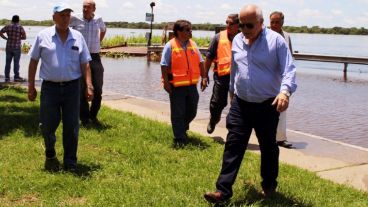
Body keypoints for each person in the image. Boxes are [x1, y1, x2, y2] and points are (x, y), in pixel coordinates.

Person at [204, 4, 297, 203]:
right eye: (241, 25)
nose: (244, 30)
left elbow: (289, 69)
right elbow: (235, 70)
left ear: (261, 24)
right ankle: (223, 191)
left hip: (267, 105)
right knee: (233, 145)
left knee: (269, 147)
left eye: (249, 26)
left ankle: (269, 186)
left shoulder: (276, 42)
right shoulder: (237, 40)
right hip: (241, 103)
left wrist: (284, 92)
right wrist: (232, 93)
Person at [28, 2, 93, 172]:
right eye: (62, 15)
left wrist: (89, 85)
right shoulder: (43, 36)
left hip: (72, 88)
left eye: (67, 15)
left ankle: (70, 162)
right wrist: (30, 86)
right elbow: (33, 61)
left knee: (71, 126)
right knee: (47, 125)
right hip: (50, 88)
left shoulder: (78, 36)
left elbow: (85, 63)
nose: (65, 18)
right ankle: (50, 151)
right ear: (54, 17)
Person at [160, 20, 208, 146]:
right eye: (187, 30)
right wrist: (165, 82)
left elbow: (200, 62)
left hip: (192, 85)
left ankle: (182, 128)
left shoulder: (193, 44)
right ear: (179, 32)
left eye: (190, 29)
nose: (190, 32)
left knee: (192, 110)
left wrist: (204, 77)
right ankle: (179, 139)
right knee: (178, 112)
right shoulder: (170, 45)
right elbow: (164, 65)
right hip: (176, 86)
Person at [70, 0, 107, 125]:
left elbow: (103, 30)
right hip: (79, 57)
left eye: (87, 7)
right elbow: (64, 29)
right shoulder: (75, 19)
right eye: (83, 7)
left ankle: (93, 116)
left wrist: (98, 41)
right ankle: (84, 118)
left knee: (98, 88)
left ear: (94, 8)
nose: (85, 9)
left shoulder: (99, 19)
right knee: (81, 89)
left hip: (95, 56)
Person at [205, 14, 239, 134]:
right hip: (221, 77)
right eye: (227, 22)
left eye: (231, 23)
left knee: (237, 105)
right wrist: (204, 76)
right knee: (217, 102)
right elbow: (208, 58)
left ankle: (233, 129)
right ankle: (213, 119)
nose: (228, 25)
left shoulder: (244, 37)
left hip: (238, 79)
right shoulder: (218, 37)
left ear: (238, 25)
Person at [270, 11, 294, 148]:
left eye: (277, 22)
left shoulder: (287, 37)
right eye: (272, 22)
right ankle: (267, 135)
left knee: (282, 107)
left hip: (282, 79)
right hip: (268, 77)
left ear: (282, 22)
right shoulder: (264, 35)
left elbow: (290, 59)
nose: (274, 25)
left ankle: (280, 138)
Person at [0, 15, 26, 82]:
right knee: (16, 63)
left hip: (8, 47)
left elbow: (0, 32)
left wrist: (5, 38)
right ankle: (16, 77)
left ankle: (7, 77)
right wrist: (18, 38)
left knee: (7, 63)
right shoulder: (20, 27)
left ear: (12, 20)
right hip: (17, 47)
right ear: (18, 20)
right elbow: (24, 37)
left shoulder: (8, 26)